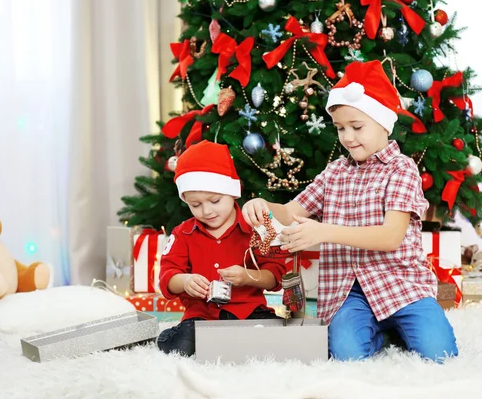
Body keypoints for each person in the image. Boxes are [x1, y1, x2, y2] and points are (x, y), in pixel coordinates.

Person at [242, 60, 458, 363]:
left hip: (401, 285)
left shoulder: (401, 169)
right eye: (340, 128)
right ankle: (379, 330)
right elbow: (292, 211)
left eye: (357, 127)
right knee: (346, 356)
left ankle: (400, 323)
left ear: (384, 123)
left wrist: (323, 231)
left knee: (441, 355)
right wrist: (265, 206)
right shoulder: (334, 172)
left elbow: (390, 237)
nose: (347, 137)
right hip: (347, 292)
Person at [157, 140, 286, 357]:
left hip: (248, 313)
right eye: (195, 205)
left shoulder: (255, 228)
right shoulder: (183, 233)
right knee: (182, 348)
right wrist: (185, 281)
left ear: (233, 193)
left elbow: (275, 277)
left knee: (279, 340)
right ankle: (170, 335)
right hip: (201, 317)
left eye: (215, 200)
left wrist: (247, 276)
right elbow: (167, 278)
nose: (206, 211)